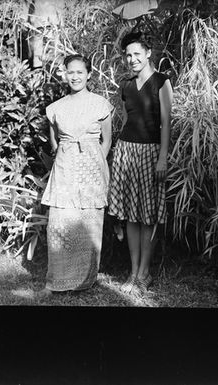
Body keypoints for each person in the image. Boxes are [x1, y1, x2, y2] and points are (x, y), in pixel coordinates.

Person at [40, 54, 113, 295]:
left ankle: (84, 279)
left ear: (89, 74)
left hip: (92, 167)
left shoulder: (101, 104)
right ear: (65, 74)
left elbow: (107, 141)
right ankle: (57, 280)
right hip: (65, 168)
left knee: (88, 220)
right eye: (71, 72)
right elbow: (55, 143)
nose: (75, 76)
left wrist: (93, 164)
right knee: (60, 220)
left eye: (80, 72)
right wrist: (68, 159)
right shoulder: (55, 108)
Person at [108, 31, 173, 294]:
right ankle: (133, 272)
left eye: (137, 54)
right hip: (126, 152)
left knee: (148, 217)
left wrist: (162, 159)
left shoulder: (161, 82)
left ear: (148, 53)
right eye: (128, 55)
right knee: (130, 217)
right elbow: (126, 122)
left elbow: (167, 122)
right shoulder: (125, 86)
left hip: (151, 153)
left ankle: (145, 273)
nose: (132, 59)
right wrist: (117, 154)